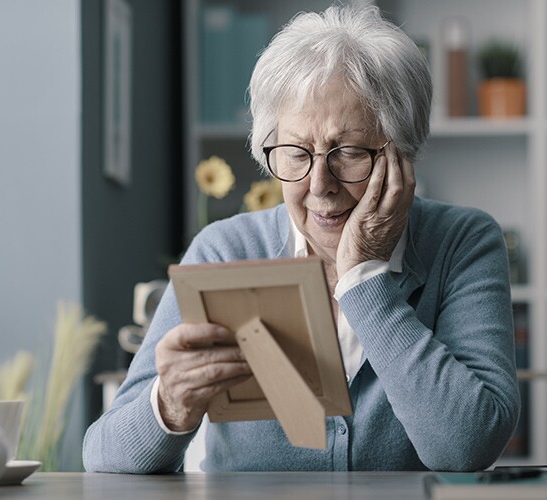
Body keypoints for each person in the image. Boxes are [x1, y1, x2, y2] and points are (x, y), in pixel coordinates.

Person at [83, 4, 519, 473]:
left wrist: (366, 277)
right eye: (295, 153)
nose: (319, 186)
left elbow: (468, 447)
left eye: (348, 152)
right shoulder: (225, 251)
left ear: (402, 154)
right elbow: (103, 456)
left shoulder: (463, 243)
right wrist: (168, 405)